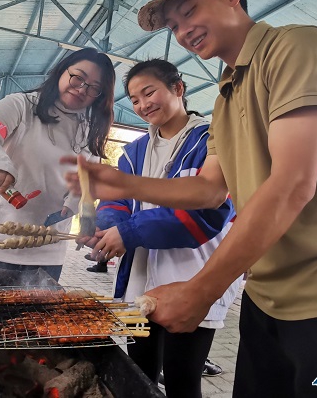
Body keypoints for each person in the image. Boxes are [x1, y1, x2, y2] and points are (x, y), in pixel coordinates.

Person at [63, 0, 317, 397]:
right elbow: (207, 189)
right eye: (174, 25)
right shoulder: (225, 97)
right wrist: (120, 185)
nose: (183, 31)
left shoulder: (298, 49)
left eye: (190, 11)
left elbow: (293, 184)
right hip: (271, 295)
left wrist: (202, 290)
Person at [0, 47, 115, 398]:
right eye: (78, 77)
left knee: (24, 338)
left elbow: (85, 182)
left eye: (94, 88)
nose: (83, 89)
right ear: (62, 72)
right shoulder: (21, 106)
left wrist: (81, 213)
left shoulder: (89, 129)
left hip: (47, 253)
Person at [78, 59, 239, 398]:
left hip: (192, 277)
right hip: (141, 279)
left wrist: (130, 233)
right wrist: (108, 229)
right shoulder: (135, 152)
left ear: (178, 89)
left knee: (182, 379)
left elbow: (204, 215)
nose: (142, 104)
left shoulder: (210, 139)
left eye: (149, 92)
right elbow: (115, 202)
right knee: (140, 373)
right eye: (134, 99)